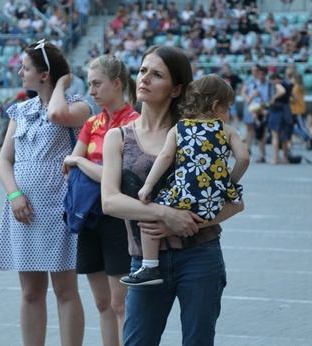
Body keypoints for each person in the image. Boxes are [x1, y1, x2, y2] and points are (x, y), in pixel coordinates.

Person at [101, 45, 245, 345]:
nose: (144, 79)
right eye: (142, 71)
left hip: (200, 256)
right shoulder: (119, 136)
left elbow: (235, 203)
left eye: (156, 75)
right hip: (144, 263)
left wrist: (188, 224)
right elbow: (110, 201)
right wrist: (165, 215)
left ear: (177, 88)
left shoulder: (199, 132)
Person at [0, 39, 91, 346]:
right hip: (24, 210)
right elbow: (4, 161)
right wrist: (14, 195)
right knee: (30, 291)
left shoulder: (77, 105)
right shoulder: (19, 110)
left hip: (61, 209)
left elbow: (56, 116)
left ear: (45, 74)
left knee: (65, 291)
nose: (20, 72)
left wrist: (62, 84)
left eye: (26, 68)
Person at [120, 74, 249, 286]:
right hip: (212, 200)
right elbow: (243, 158)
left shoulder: (179, 129)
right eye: (227, 109)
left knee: (149, 215)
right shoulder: (226, 130)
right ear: (216, 105)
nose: (227, 114)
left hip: (184, 194)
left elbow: (165, 157)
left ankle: (150, 266)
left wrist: (148, 185)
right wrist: (229, 184)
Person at [61, 54, 140, 346]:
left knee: (121, 304)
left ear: (117, 83)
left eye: (97, 84)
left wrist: (82, 164)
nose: (91, 91)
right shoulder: (92, 122)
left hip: (118, 220)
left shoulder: (135, 123)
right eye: (90, 84)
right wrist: (84, 166)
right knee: (102, 303)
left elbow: (115, 177)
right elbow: (70, 168)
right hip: (88, 217)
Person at [267, 73, 294, 165]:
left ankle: (275, 158)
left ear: (275, 79)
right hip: (286, 110)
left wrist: (274, 97)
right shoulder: (287, 84)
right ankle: (285, 158)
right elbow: (293, 97)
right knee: (284, 136)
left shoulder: (279, 85)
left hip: (278, 111)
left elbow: (282, 91)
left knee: (275, 135)